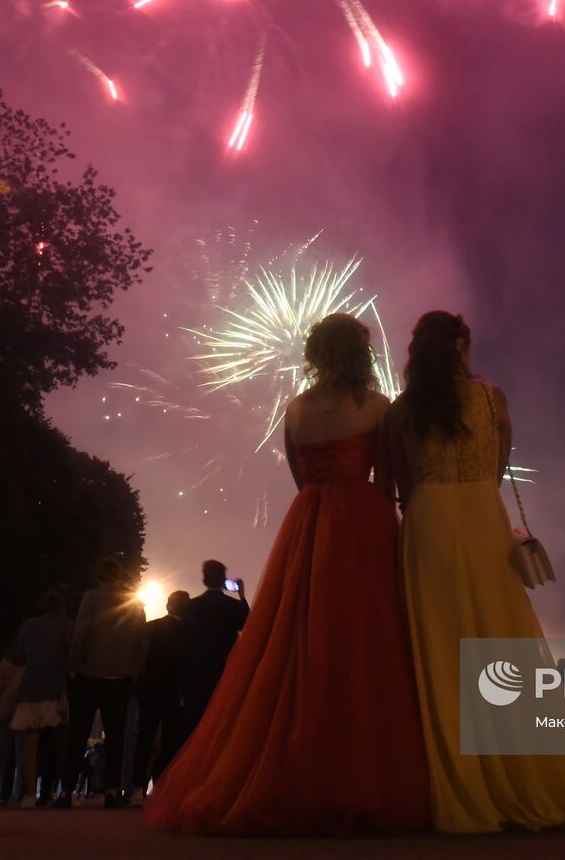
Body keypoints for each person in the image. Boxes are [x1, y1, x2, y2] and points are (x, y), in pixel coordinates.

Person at [147, 313, 430, 835]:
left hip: (310, 521)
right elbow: (391, 479)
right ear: (360, 354)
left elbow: (300, 476)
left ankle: (289, 766)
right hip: (363, 521)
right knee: (367, 643)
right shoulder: (376, 407)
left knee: (298, 640)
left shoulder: (296, 409)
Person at [387, 310, 565, 833]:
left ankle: (456, 781)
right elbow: (497, 467)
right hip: (480, 516)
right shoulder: (491, 399)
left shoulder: (401, 411)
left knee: (439, 649)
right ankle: (519, 773)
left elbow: (402, 485)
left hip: (427, 520)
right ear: (459, 347)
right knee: (501, 641)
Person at [63, 557, 146, 808]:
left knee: (77, 733)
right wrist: (134, 671)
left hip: (90, 674)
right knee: (116, 736)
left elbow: (80, 634)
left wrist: (73, 667)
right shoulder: (134, 602)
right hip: (121, 677)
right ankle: (111, 790)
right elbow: (142, 642)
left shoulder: (91, 598)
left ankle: (67, 790)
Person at [175, 560, 249, 748]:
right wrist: (241, 595)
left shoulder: (192, 606)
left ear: (204, 579)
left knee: (192, 730)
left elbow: (183, 641)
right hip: (223, 674)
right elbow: (250, 626)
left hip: (196, 676)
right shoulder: (232, 607)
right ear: (224, 580)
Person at [11, 590, 73, 807]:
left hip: (31, 688)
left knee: (30, 740)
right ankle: (63, 789)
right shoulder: (67, 626)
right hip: (56, 687)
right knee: (61, 741)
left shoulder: (28, 625)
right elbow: (72, 657)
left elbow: (20, 655)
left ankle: (29, 794)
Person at [129, 589, 189, 804]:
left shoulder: (151, 627)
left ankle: (137, 787)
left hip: (149, 690)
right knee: (171, 741)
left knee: (145, 738)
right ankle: (162, 784)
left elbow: (139, 655)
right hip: (174, 693)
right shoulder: (189, 632)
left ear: (168, 606)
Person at [0, 635, 24, 806]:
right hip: (22, 711)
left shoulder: (5, 663)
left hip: (4, 711)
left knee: (1, 756)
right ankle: (20, 793)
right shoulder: (29, 665)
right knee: (21, 754)